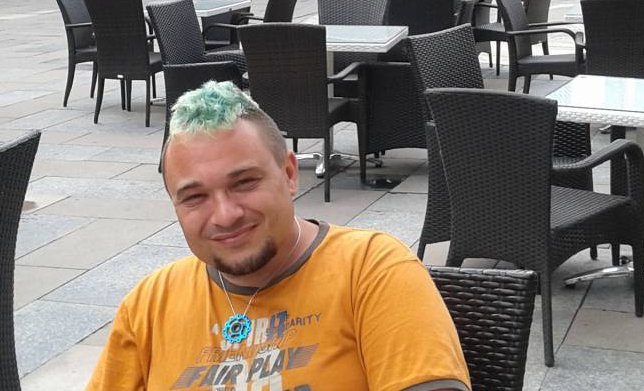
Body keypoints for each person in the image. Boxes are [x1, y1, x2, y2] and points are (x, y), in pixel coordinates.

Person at [86, 81, 470, 391]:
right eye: (195, 197)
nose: (225, 215)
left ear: (288, 174)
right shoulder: (150, 304)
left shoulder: (372, 270)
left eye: (244, 182)